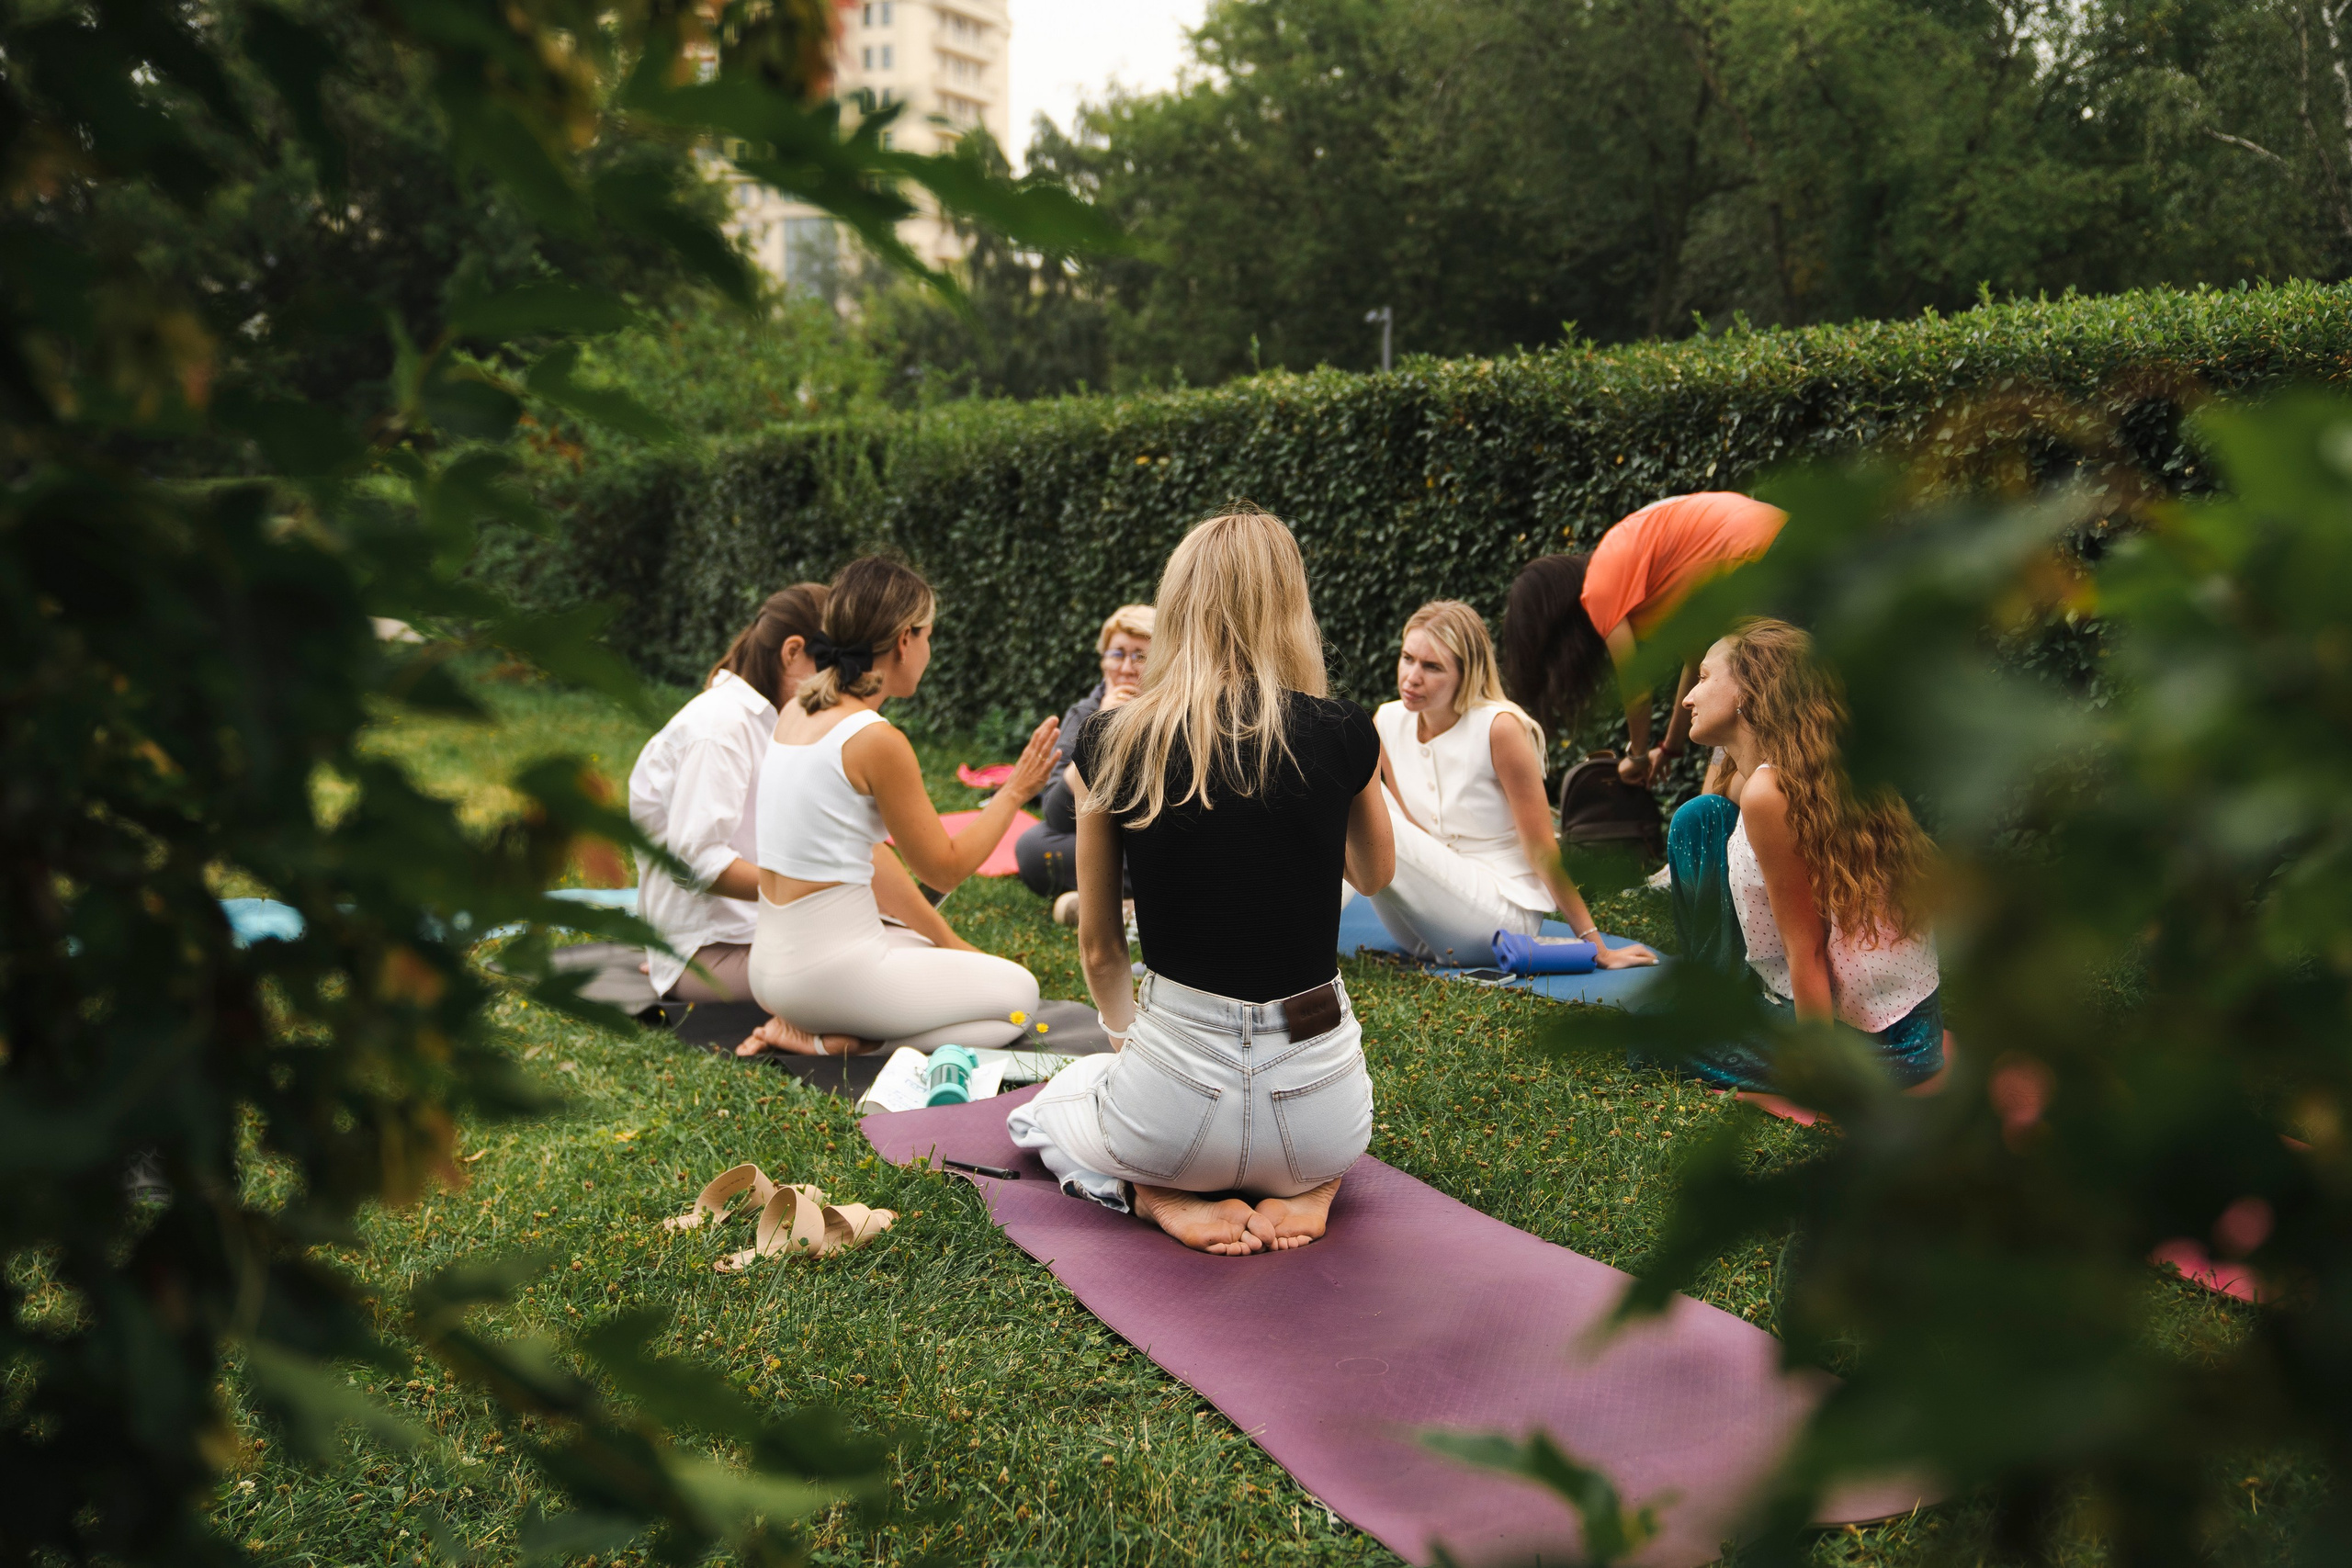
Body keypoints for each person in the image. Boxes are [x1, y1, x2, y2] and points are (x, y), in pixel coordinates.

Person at [1007, 507, 1396, 1257]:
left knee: (1043, 1109)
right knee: (1317, 1117)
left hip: (1172, 1110)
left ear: (1179, 607)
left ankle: (1146, 1192)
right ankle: (1313, 1184)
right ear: (1291, 607)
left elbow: (1099, 951)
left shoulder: (1114, 737)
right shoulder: (1345, 728)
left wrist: (1136, 1055)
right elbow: (1374, 875)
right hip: (1321, 1117)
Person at [628, 585, 982, 1059]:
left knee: (921, 957)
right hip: (712, 952)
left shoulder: (792, 720)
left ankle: (842, 1026)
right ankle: (824, 1036)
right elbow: (694, 866)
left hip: (768, 933)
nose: (843, 677)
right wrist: (809, 890)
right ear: (793, 651)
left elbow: (864, 854)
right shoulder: (720, 729)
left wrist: (944, 939)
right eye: (832, 660)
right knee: (928, 985)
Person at [749, 557, 1061, 1053]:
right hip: (822, 977)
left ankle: (822, 1025)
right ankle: (843, 1046)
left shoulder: (795, 711)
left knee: (925, 950)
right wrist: (1016, 790)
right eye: (929, 636)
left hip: (770, 969)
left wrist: (950, 944)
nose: (929, 651)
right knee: (1020, 999)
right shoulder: (875, 739)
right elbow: (945, 868)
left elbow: (873, 858)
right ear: (904, 640)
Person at [1660, 618, 1942, 1089]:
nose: (1688, 697)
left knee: (1658, 1038)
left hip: (1877, 1045)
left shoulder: (1770, 794)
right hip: (1905, 1026)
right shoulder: (1791, 772)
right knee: (1701, 817)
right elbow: (1719, 792)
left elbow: (1806, 947)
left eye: (1705, 678)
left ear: (1748, 693)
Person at [1370, 601, 1659, 971]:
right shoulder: (1388, 719)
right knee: (1353, 796)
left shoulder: (1500, 728)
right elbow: (1410, 827)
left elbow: (1542, 850)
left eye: (1432, 667)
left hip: (1499, 918)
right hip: (1421, 928)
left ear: (1466, 673)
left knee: (1359, 807)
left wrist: (1596, 948)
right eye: (1408, 658)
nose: (1411, 677)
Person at [1503, 491, 1786, 787]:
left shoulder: (1599, 585)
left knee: (1752, 743)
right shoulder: (1644, 577)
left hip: (1760, 553)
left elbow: (1636, 690)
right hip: (1773, 539)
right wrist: (1668, 748)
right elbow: (1696, 663)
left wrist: (1636, 756)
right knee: (1737, 759)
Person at [1013, 603, 1154, 923]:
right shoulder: (1084, 713)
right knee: (1034, 848)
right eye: (1117, 654)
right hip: (1107, 844)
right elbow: (1056, 813)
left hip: (1157, 840)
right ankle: (1131, 907)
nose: (1126, 668)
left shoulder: (1176, 710)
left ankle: (1118, 908)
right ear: (1104, 660)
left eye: (1140, 655)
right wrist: (1102, 730)